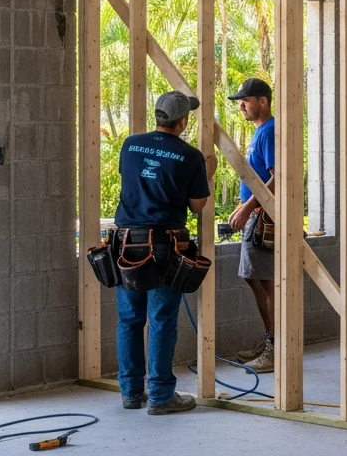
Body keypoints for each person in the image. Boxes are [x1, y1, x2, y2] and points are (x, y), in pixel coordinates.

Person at [113, 91, 211, 413]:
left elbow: (130, 180)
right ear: (182, 122)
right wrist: (204, 175)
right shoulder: (191, 156)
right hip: (165, 246)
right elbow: (197, 205)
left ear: (157, 117)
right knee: (161, 319)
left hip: (127, 243)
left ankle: (130, 393)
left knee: (129, 319)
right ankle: (161, 396)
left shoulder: (130, 145)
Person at [226, 77, 277, 372]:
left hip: (263, 217)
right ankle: (271, 338)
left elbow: (277, 177)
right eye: (240, 101)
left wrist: (249, 207)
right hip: (257, 214)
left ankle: (274, 347)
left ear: (263, 101)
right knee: (255, 278)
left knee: (268, 283)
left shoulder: (269, 131)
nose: (241, 106)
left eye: (245, 100)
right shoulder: (262, 132)